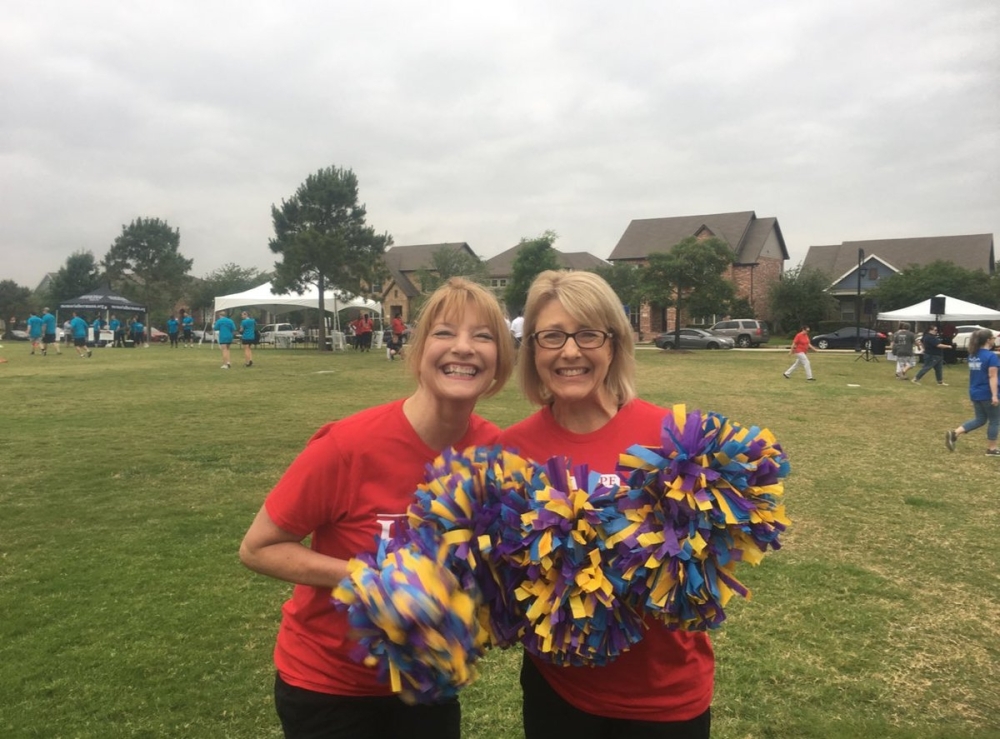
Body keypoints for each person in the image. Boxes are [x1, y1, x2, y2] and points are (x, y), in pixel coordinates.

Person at [238, 278, 515, 739]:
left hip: (428, 684)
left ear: (500, 359)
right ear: (418, 349)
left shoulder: (493, 449)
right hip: (330, 687)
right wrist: (373, 580)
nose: (463, 348)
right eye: (444, 332)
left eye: (483, 336)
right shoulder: (348, 445)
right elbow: (258, 548)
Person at [499, 271, 713, 739]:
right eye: (551, 336)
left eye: (588, 334)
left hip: (665, 696)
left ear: (614, 344)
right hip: (558, 691)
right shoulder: (509, 450)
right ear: (532, 349)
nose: (570, 351)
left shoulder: (672, 438)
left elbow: (710, 567)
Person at [945, 328, 999, 456]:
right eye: (993, 338)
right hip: (987, 392)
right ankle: (992, 449)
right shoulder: (991, 356)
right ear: (988, 340)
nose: (994, 339)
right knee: (995, 420)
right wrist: (995, 395)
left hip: (975, 391)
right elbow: (992, 377)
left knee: (980, 419)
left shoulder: (972, 355)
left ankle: (954, 433)